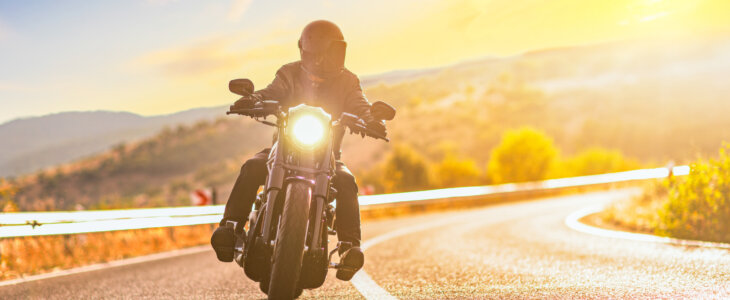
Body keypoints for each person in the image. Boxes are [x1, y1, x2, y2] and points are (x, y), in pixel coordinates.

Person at [210, 20, 385, 281]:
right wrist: (254, 99)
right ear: (311, 52)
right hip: (283, 150)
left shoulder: (348, 81)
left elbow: (359, 103)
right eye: (326, 52)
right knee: (252, 166)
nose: (330, 58)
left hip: (327, 157)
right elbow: (272, 91)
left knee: (346, 181)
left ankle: (349, 248)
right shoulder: (289, 73)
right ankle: (232, 227)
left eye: (335, 52)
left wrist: (371, 117)